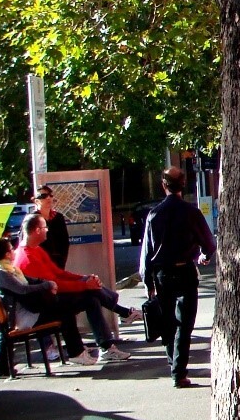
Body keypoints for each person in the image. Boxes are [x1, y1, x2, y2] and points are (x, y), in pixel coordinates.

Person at [15, 212, 128, 365]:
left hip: (50, 298)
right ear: (36, 231)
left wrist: (83, 277)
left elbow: (58, 273)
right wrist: (84, 284)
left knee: (92, 297)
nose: (47, 230)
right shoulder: (27, 258)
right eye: (44, 227)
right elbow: (54, 284)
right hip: (42, 307)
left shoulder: (36, 249)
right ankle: (118, 317)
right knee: (89, 297)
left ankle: (107, 344)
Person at [140, 166, 215, 388]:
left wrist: (148, 281)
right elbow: (208, 243)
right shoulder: (192, 213)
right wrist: (203, 255)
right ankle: (179, 371)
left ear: (163, 186)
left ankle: (174, 364)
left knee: (167, 322)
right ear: (184, 185)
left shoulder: (154, 215)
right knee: (185, 323)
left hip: (162, 273)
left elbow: (147, 251)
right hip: (185, 272)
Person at [0, 235, 79, 376]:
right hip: (24, 318)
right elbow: (22, 289)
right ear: (6, 254)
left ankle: (76, 352)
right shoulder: (2, 274)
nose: (14, 252)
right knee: (66, 313)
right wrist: (45, 285)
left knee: (64, 309)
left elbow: (30, 280)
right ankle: (76, 353)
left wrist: (47, 283)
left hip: (28, 312)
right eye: (11, 249)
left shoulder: (11, 269)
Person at [34, 184, 71, 268]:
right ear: (36, 201)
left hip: (58, 263)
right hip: (40, 264)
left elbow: (65, 241)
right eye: (44, 196)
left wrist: (62, 259)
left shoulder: (59, 218)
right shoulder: (32, 219)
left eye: (50, 195)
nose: (48, 198)